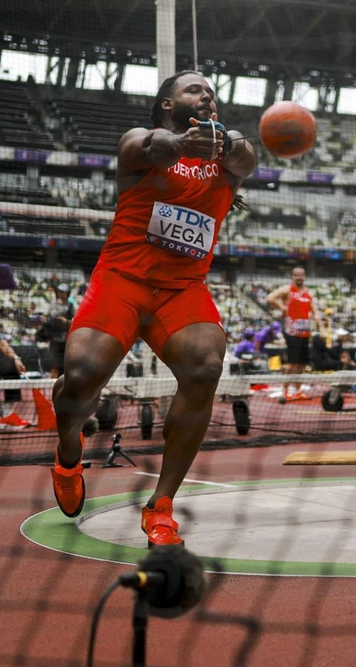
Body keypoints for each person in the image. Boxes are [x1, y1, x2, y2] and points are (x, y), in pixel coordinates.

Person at [49, 71, 256, 547]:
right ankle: (67, 453)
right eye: (194, 90)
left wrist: (224, 143)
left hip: (182, 290)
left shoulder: (228, 155)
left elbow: (248, 155)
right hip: (122, 281)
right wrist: (183, 144)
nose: (206, 96)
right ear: (167, 103)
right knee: (80, 376)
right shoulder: (139, 140)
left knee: (206, 366)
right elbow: (151, 147)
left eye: (211, 92)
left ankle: (160, 506)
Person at [266, 265, 316, 401]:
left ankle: (297, 391)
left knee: (301, 364)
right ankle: (285, 390)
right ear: (293, 276)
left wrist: (319, 325)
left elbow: (313, 310)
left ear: (305, 276)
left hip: (305, 332)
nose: (299, 277)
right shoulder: (287, 289)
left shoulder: (308, 292)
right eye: (296, 275)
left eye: (301, 274)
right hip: (292, 331)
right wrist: (283, 308)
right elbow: (270, 298)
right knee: (292, 363)